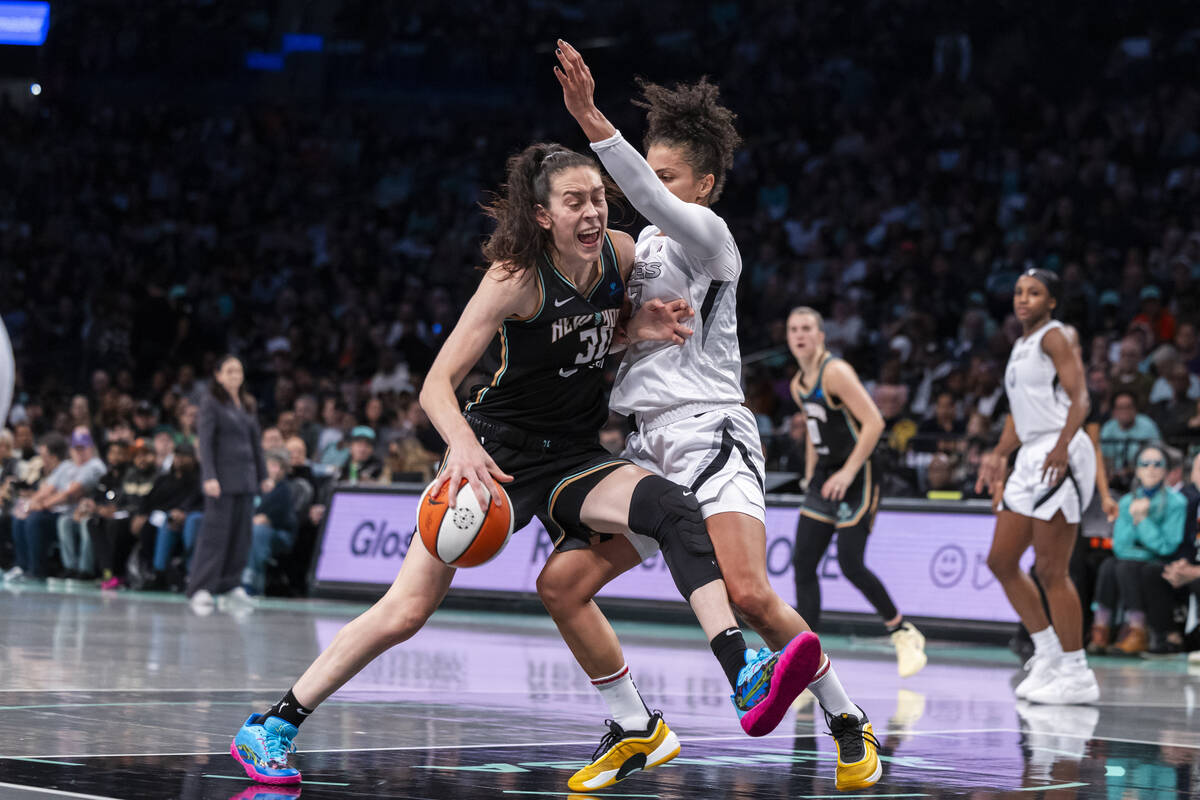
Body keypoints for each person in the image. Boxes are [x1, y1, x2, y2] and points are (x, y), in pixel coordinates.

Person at [230, 142, 815, 790]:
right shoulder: (514, 278)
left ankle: (739, 670)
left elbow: (593, 335)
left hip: (571, 452)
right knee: (405, 611)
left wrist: (635, 327)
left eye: (598, 198)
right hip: (496, 456)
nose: (593, 212)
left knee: (673, 508)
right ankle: (273, 723)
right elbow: (435, 385)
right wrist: (462, 447)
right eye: (575, 203)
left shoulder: (620, 255)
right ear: (542, 216)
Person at [542, 41, 879, 791]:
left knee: (751, 594)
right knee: (563, 586)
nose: (649, 191)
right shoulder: (633, 251)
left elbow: (654, 201)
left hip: (709, 431)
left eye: (666, 178)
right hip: (644, 448)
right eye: (649, 175)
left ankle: (848, 718)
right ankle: (635, 727)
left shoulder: (711, 238)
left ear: (705, 184)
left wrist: (593, 119)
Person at [975, 269, 1100, 704]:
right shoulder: (1021, 345)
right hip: (1030, 452)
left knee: (1051, 568)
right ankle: (1047, 653)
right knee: (1002, 560)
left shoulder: (1056, 336)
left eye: (1034, 293)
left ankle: (1077, 671)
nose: (1023, 299)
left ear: (1051, 302)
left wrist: (1063, 445)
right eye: (1018, 292)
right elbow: (1018, 413)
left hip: (1059, 448)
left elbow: (1081, 397)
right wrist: (999, 454)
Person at [787, 307, 927, 677]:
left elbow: (875, 423)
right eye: (793, 329)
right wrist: (809, 476)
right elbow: (815, 437)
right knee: (803, 562)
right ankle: (807, 657)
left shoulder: (836, 372)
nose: (799, 335)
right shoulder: (798, 383)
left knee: (850, 562)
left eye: (806, 329)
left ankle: (902, 631)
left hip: (859, 472)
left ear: (820, 336)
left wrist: (848, 473)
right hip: (827, 476)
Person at [1088, 443, 1185, 655]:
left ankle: (1137, 630)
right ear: (1138, 469)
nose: (1151, 469)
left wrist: (1142, 520)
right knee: (1108, 565)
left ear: (1166, 470)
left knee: (1126, 567)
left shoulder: (1177, 502)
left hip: (1160, 561)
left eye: (1157, 464)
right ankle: (1102, 627)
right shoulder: (1127, 502)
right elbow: (1120, 544)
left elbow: (1166, 546)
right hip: (1134, 558)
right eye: (1145, 464)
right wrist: (1141, 547)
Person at [192, 356, 266, 613]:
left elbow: (256, 442)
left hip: (245, 479)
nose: (235, 375)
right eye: (229, 370)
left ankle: (231, 585)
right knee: (215, 536)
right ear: (219, 375)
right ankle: (202, 587)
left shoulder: (247, 404)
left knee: (241, 536)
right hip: (221, 480)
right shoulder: (211, 403)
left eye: (238, 370)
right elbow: (205, 443)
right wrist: (209, 476)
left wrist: (263, 474)